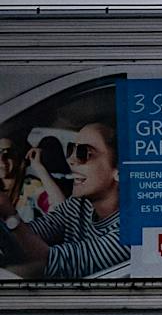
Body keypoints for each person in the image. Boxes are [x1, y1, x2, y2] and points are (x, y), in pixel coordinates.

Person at [0, 120, 127, 281]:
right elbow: (33, 233)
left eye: (84, 153)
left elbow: (52, 263)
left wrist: (9, 214)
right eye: (71, 150)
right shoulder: (79, 204)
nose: (70, 160)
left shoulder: (130, 233)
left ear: (119, 171)